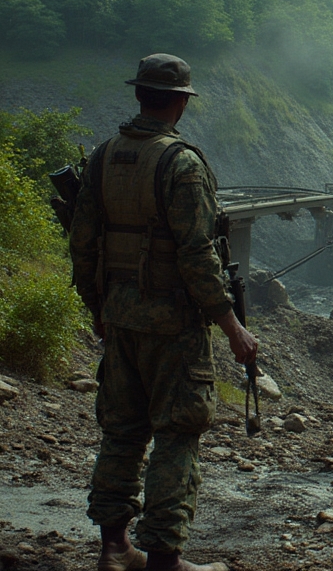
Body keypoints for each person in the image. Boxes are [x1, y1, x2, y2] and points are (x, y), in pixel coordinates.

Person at [70, 53, 258, 571]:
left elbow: (82, 243)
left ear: (139, 96)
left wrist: (97, 309)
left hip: (120, 319)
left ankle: (113, 548)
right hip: (174, 324)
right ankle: (165, 558)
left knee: (122, 431)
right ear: (180, 102)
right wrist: (232, 326)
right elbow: (198, 255)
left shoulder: (105, 155)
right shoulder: (182, 163)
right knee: (177, 434)